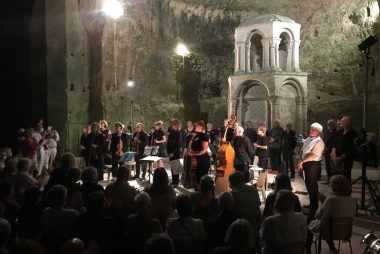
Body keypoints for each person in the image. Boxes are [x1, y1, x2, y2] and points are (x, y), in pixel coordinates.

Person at [307, 175, 356, 253]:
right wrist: (326, 201)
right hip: (345, 232)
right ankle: (332, 248)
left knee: (311, 220)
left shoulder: (331, 199)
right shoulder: (353, 200)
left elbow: (318, 216)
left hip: (328, 232)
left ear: (334, 186)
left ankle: (307, 248)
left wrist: (322, 202)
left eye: (331, 184)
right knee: (329, 222)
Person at [261, 190, 307, 254]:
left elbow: (263, 237)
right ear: (293, 205)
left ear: (276, 204)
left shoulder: (270, 221)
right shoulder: (302, 218)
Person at [298, 123, 325, 219]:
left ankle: (314, 207)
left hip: (313, 165)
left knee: (312, 185)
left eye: (312, 129)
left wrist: (302, 161)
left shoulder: (319, 142)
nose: (310, 130)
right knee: (308, 184)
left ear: (318, 131)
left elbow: (313, 155)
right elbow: (303, 150)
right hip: (305, 163)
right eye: (310, 129)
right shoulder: (309, 139)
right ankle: (311, 203)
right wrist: (300, 159)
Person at [331, 116, 358, 182]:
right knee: (335, 178)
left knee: (345, 177)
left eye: (343, 121)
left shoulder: (353, 134)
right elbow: (334, 145)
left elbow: (350, 150)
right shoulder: (339, 132)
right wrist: (334, 157)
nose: (340, 122)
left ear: (348, 122)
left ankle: (346, 191)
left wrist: (339, 159)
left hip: (346, 161)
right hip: (336, 160)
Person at [186, 121, 210, 187]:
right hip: (196, 160)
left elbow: (204, 150)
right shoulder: (195, 136)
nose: (194, 128)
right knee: (196, 178)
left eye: (195, 127)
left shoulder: (204, 136)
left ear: (200, 128)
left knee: (202, 179)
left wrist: (193, 154)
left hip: (202, 160)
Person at [167, 119, 183, 186]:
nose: (172, 126)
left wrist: (173, 153)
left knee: (176, 168)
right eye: (172, 124)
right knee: (172, 168)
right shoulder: (171, 133)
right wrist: (168, 151)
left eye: (173, 124)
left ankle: (176, 182)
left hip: (176, 152)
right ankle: (173, 181)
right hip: (170, 152)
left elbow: (178, 144)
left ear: (176, 125)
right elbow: (168, 143)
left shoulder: (179, 133)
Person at [323, 119, 338, 183]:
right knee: (327, 166)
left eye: (330, 124)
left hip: (332, 152)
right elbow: (325, 141)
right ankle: (329, 179)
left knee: (332, 168)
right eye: (328, 124)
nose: (328, 125)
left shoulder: (336, 132)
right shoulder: (328, 132)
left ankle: (333, 181)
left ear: (334, 125)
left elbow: (335, 142)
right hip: (327, 152)